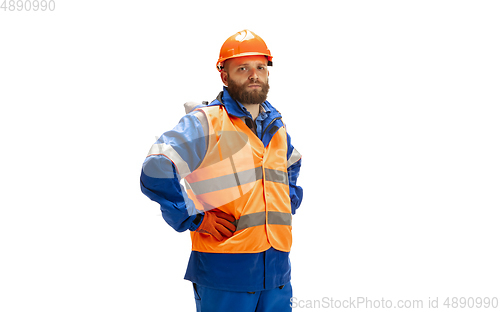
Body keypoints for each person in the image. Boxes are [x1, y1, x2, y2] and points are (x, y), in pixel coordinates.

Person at [140, 29, 303, 312]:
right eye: (243, 68)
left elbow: (291, 166)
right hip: (225, 274)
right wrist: (194, 217)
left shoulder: (277, 127)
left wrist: (286, 203)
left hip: (277, 273)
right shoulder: (206, 123)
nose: (254, 75)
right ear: (224, 76)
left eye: (260, 67)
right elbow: (156, 167)